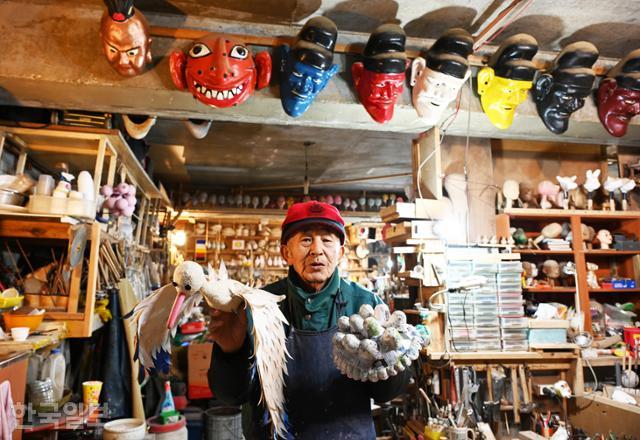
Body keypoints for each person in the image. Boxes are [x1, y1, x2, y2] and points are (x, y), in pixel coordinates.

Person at [208, 201, 410, 439]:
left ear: (341, 252)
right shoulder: (258, 306)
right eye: (306, 240)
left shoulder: (366, 306)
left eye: (327, 240)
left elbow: (384, 394)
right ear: (286, 253)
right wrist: (230, 354)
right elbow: (232, 396)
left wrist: (391, 360)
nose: (316, 249)